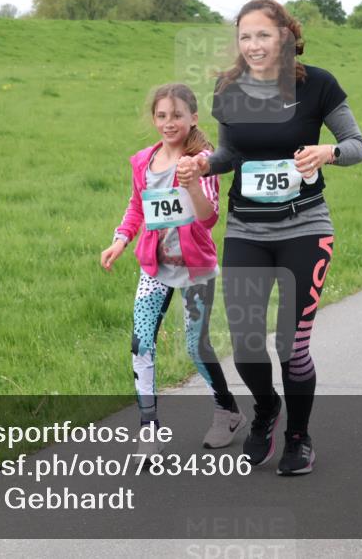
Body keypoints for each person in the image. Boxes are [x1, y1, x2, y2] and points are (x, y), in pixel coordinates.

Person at [178, 0, 362, 476]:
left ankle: (299, 437)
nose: (254, 45)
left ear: (285, 35)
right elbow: (230, 154)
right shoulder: (228, 88)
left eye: (263, 34)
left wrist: (328, 152)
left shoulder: (319, 84)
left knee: (292, 345)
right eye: (245, 36)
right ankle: (266, 410)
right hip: (247, 229)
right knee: (244, 342)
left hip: (306, 227)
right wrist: (204, 163)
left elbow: (356, 146)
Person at [101, 83, 245, 455]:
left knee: (197, 347)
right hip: (155, 266)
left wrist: (193, 183)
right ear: (154, 119)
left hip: (195, 267)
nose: (169, 123)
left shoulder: (203, 160)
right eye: (162, 116)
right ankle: (149, 429)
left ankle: (226, 411)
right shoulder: (143, 162)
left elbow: (208, 216)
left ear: (193, 118)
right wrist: (120, 240)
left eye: (177, 115)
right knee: (140, 344)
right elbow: (137, 207)